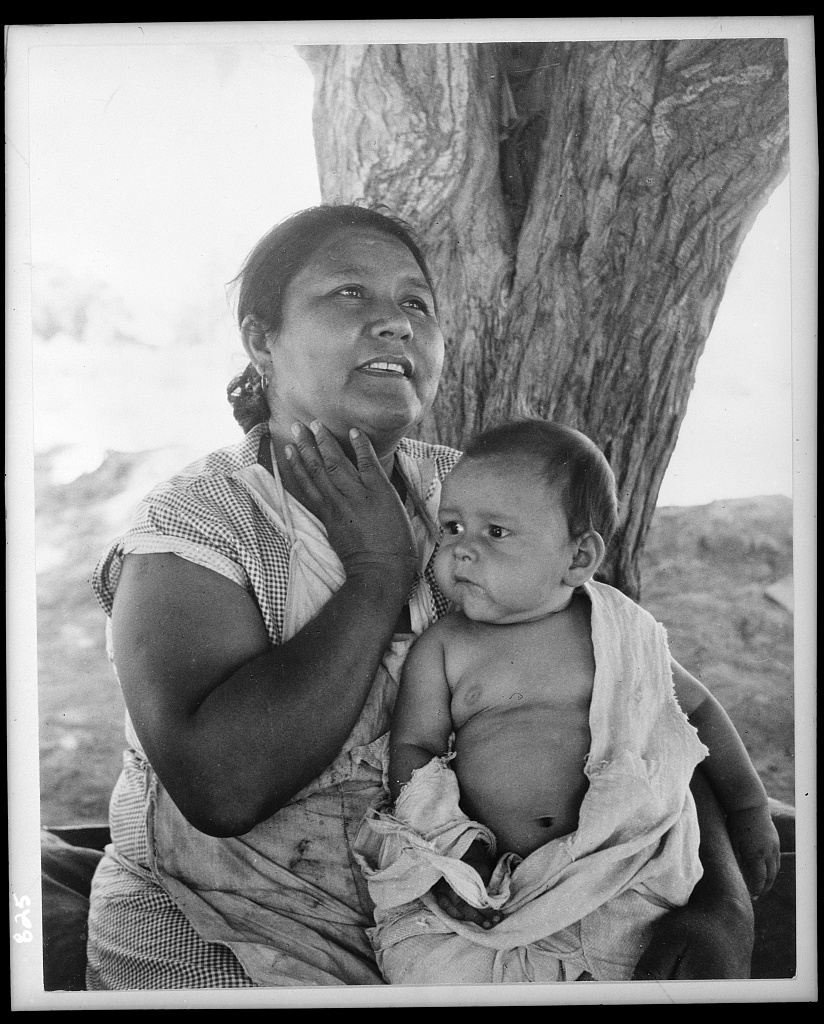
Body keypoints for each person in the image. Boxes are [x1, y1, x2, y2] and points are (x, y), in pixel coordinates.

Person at [85, 204, 755, 990]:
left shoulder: (470, 495)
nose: (394, 325)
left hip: (481, 930)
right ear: (261, 338)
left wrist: (723, 904)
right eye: (348, 295)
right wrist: (376, 571)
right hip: (231, 941)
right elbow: (221, 789)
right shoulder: (197, 524)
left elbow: (629, 695)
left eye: (416, 304)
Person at [355, 419, 780, 984]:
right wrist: (451, 847)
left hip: (620, 865)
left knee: (645, 962)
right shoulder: (445, 647)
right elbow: (414, 748)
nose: (461, 551)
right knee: (439, 966)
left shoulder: (616, 629)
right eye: (452, 528)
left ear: (578, 559)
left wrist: (750, 808)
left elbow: (694, 712)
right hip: (492, 879)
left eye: (496, 533)